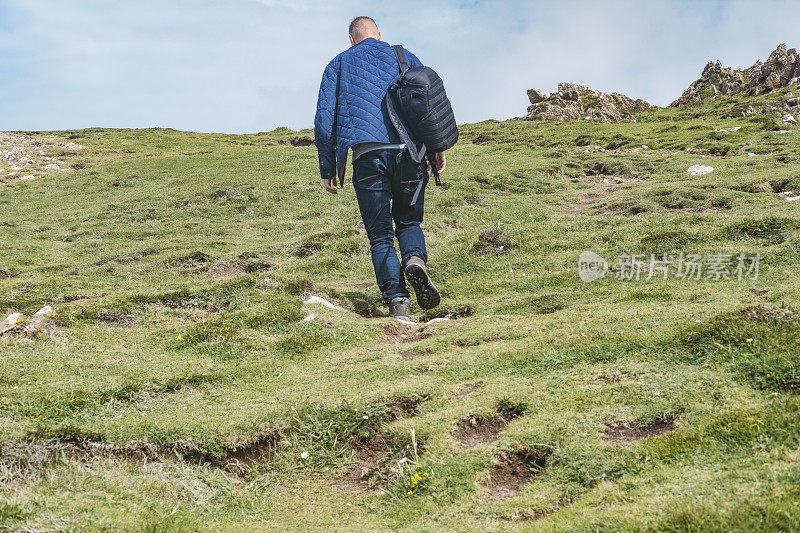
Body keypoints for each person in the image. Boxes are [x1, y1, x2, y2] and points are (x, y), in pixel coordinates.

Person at [314, 16, 446, 321]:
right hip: (410, 154)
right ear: (379, 35)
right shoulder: (404, 56)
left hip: (367, 157)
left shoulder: (338, 64)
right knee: (409, 222)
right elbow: (429, 105)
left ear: (351, 39)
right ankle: (414, 259)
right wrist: (436, 149)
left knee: (381, 235)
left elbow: (324, 120)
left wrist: (328, 166)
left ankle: (398, 303)